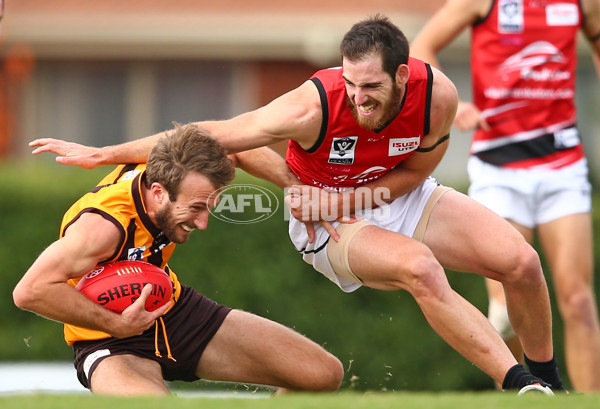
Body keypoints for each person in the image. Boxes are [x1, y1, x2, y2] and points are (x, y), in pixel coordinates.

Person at [29, 14, 563, 394]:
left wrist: (353, 195)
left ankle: (550, 384)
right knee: (418, 267)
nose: (359, 98)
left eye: (372, 86)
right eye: (351, 84)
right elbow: (212, 133)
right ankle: (518, 384)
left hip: (381, 196)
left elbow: (417, 172)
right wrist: (104, 153)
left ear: (403, 75)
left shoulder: (436, 97)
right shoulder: (312, 107)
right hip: (314, 221)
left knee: (522, 262)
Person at [13, 123, 344, 396]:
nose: (203, 223)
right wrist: (116, 323)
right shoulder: (101, 228)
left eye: (208, 207)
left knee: (321, 375)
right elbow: (30, 290)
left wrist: (298, 189)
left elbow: (233, 142)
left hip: (172, 310)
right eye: (196, 208)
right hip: (109, 339)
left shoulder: (173, 166)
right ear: (158, 193)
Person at [410, 0, 600, 392]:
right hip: (498, 168)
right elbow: (421, 47)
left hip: (562, 165)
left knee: (579, 301)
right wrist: (451, 104)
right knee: (507, 311)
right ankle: (525, 393)